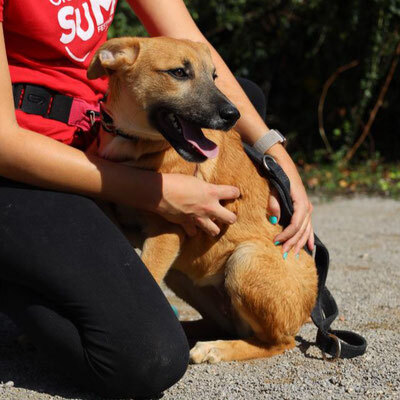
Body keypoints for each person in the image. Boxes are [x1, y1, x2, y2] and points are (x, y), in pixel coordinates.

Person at [0, 0, 314, 398]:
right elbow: (4, 143)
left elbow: (193, 43)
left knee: (244, 98)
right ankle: (26, 282)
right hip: (27, 155)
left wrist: (277, 158)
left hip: (98, 126)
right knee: (148, 356)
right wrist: (157, 193)